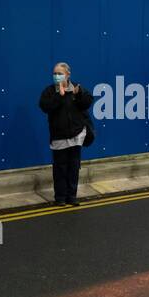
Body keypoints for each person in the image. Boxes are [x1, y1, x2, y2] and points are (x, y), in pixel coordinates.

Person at [38, 62, 93, 206]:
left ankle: (72, 196)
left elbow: (87, 102)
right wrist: (59, 96)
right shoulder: (50, 91)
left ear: (68, 74)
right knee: (60, 168)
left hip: (76, 135)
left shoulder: (76, 88)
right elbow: (44, 106)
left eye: (59, 73)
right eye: (54, 74)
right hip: (59, 137)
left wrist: (79, 94)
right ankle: (60, 197)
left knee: (74, 167)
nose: (56, 76)